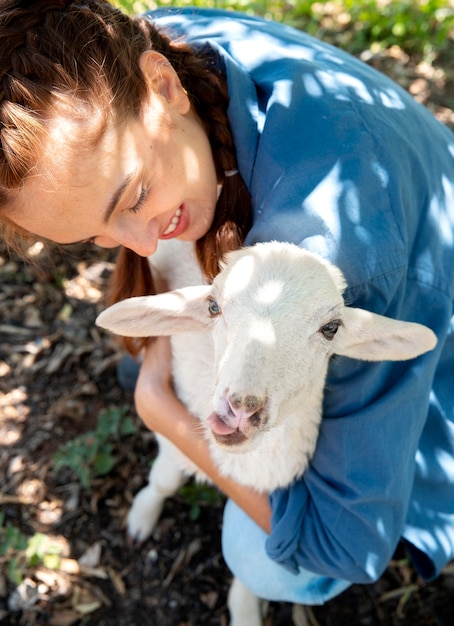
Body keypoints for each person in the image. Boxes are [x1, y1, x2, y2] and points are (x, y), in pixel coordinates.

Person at [1, 0, 454, 609]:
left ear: (163, 86)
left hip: (418, 287)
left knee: (261, 558)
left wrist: (171, 419)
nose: (140, 245)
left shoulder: (332, 260)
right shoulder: (145, 41)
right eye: (94, 234)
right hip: (384, 178)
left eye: (134, 195)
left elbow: (343, 546)